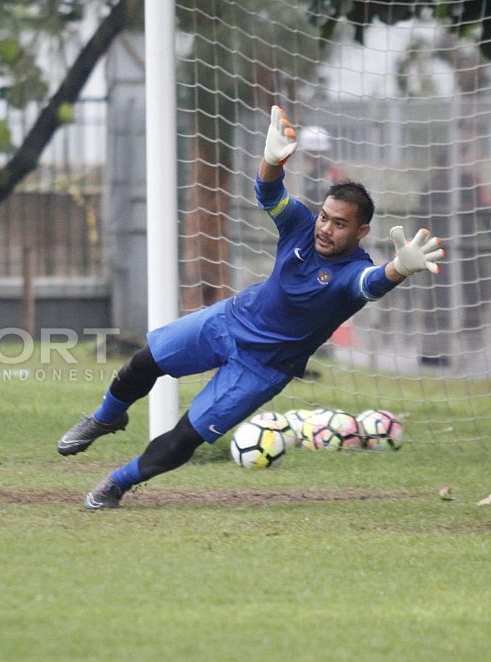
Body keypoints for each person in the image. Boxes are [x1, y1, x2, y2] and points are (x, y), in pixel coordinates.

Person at [58, 105, 444, 510]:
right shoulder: (302, 225)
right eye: (325, 218)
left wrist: (400, 267)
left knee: (186, 436)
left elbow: (371, 285)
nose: (326, 228)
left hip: (261, 368)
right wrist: (271, 161)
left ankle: (116, 484)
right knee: (144, 361)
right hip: (230, 319)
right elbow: (269, 194)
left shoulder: (353, 272)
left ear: (361, 230)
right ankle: (106, 417)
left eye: (340, 224)